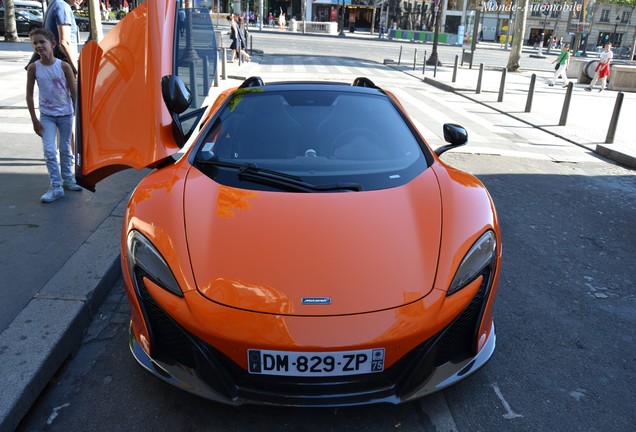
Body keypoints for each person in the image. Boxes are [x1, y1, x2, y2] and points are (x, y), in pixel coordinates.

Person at [26, 28, 81, 203]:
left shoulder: (64, 66)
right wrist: (34, 120)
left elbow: (74, 93)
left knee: (65, 149)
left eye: (42, 42)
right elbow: (28, 95)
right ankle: (56, 186)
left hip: (65, 114)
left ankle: (67, 179)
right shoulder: (34, 68)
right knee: (50, 151)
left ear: (52, 44)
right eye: (35, 43)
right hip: (47, 117)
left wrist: (77, 117)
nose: (38, 45)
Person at [43, 0, 81, 77]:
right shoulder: (62, 7)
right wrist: (76, 70)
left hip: (53, 64)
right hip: (62, 66)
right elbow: (64, 42)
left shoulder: (54, 3)